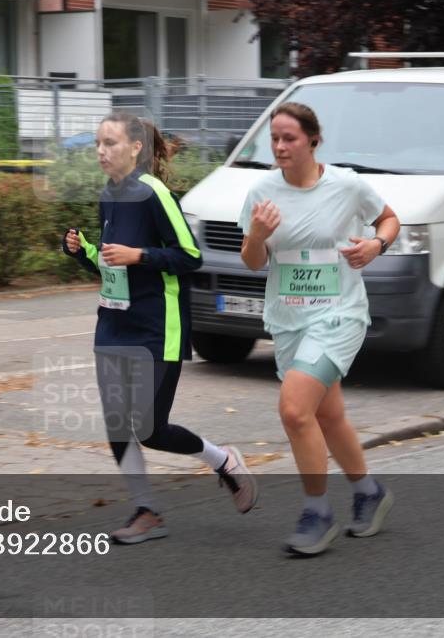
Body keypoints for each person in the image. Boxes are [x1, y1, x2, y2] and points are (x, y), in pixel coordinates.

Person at [62, 112, 257, 545]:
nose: (100, 151)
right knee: (117, 422)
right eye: (98, 143)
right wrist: (82, 251)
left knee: (151, 428)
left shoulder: (154, 194)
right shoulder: (109, 195)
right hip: (113, 323)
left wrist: (140, 256)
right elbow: (111, 262)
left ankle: (223, 461)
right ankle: (146, 511)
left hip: (156, 327)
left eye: (109, 142)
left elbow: (190, 256)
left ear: (135, 148)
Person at [239, 102, 400, 555]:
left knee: (294, 410)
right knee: (327, 415)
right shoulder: (262, 192)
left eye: (289, 138)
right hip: (289, 320)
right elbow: (253, 261)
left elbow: (390, 218)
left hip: (339, 314)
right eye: (274, 138)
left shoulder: (345, 185)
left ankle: (317, 512)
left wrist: (375, 244)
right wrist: (254, 235)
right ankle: (369, 492)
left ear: (313, 140)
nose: (280, 146)